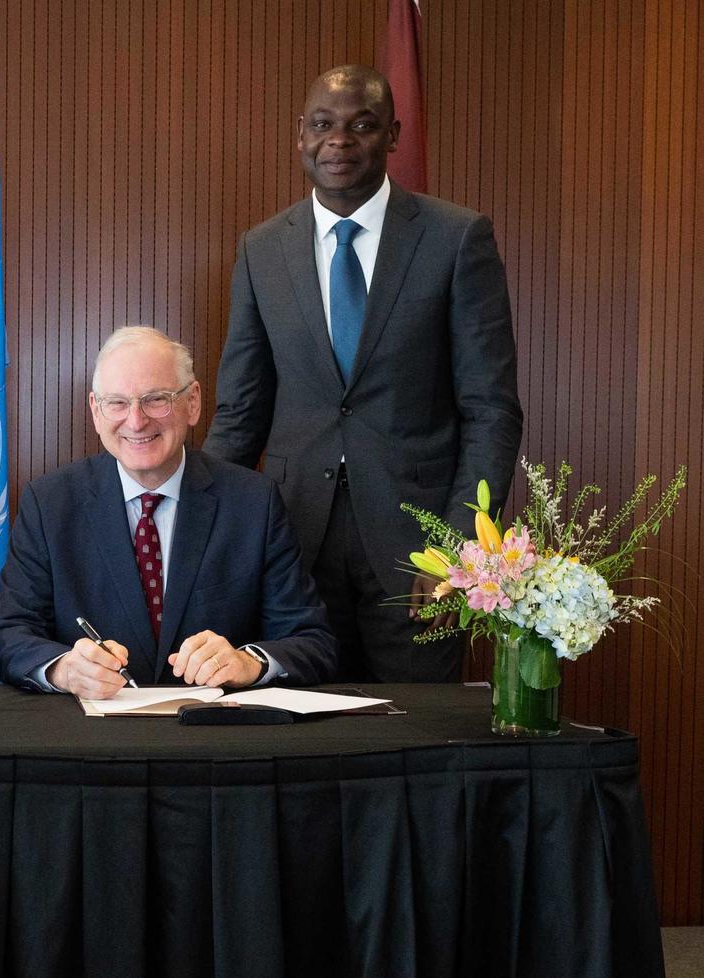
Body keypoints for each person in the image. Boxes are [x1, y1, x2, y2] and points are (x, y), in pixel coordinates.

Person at [204, 65, 523, 683]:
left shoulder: (456, 238)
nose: (339, 141)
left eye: (362, 125)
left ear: (393, 135)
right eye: (323, 125)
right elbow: (241, 412)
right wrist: (200, 524)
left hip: (419, 553)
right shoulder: (261, 249)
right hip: (292, 545)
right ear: (300, 133)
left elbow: (491, 410)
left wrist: (458, 547)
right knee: (302, 723)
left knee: (415, 728)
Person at [0, 327, 337, 699]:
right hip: (92, 729)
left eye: (156, 400)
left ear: (193, 402)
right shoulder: (50, 504)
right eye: (117, 403)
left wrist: (249, 663)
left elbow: (313, 641)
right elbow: (9, 636)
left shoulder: (254, 503)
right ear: (96, 410)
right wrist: (64, 670)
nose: (136, 421)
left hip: (214, 728)